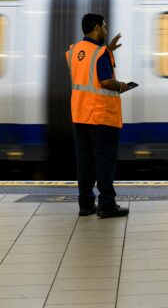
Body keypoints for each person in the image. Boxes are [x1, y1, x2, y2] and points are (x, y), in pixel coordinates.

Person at [67, 13, 132, 219]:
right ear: (96, 28)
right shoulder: (101, 53)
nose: (106, 30)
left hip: (80, 114)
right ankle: (106, 205)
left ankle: (85, 204)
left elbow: (87, 70)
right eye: (104, 26)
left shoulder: (74, 51)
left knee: (84, 161)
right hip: (101, 115)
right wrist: (122, 86)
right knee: (105, 160)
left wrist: (108, 51)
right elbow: (104, 81)